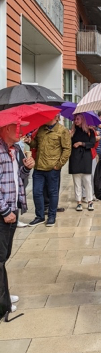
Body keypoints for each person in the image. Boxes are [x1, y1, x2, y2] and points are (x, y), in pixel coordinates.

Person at [0, 123, 35, 317]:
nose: (20, 132)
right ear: (5, 129)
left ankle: (3, 294)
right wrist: (5, 211)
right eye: (16, 127)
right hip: (4, 211)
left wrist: (25, 168)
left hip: (13, 207)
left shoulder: (15, 150)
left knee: (4, 256)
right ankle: (1, 303)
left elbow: (18, 180)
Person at [29, 116, 71, 227]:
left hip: (52, 168)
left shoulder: (62, 130)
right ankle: (40, 216)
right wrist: (30, 142)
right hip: (38, 167)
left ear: (55, 117)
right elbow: (36, 144)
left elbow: (67, 149)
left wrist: (59, 165)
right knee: (37, 192)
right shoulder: (41, 129)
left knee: (53, 193)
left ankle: (52, 216)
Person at [69, 115, 96, 212]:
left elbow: (92, 143)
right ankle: (79, 202)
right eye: (75, 119)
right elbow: (67, 145)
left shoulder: (89, 131)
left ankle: (90, 201)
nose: (76, 121)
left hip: (86, 157)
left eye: (78, 119)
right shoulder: (72, 131)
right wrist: (69, 136)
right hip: (75, 158)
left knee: (87, 181)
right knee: (77, 182)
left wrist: (81, 143)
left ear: (83, 120)